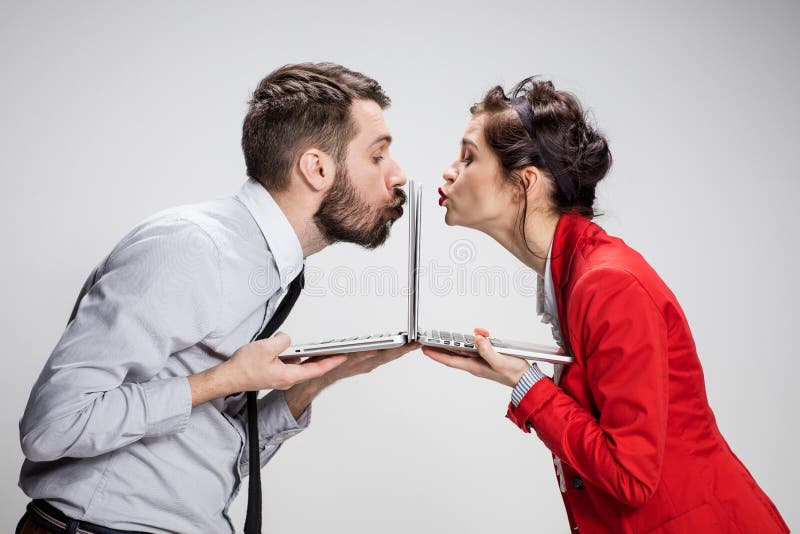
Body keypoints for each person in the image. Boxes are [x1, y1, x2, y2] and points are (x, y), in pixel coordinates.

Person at [16, 62, 418, 534]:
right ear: (317, 168)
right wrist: (221, 379)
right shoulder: (191, 249)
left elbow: (204, 452)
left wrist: (312, 383)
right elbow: (51, 427)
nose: (398, 175)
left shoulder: (272, 267)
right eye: (377, 156)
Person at [423, 76, 789, 533]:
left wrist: (524, 382)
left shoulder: (609, 284)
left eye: (469, 157)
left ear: (524, 184)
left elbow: (630, 476)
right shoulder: (577, 277)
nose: (449, 171)